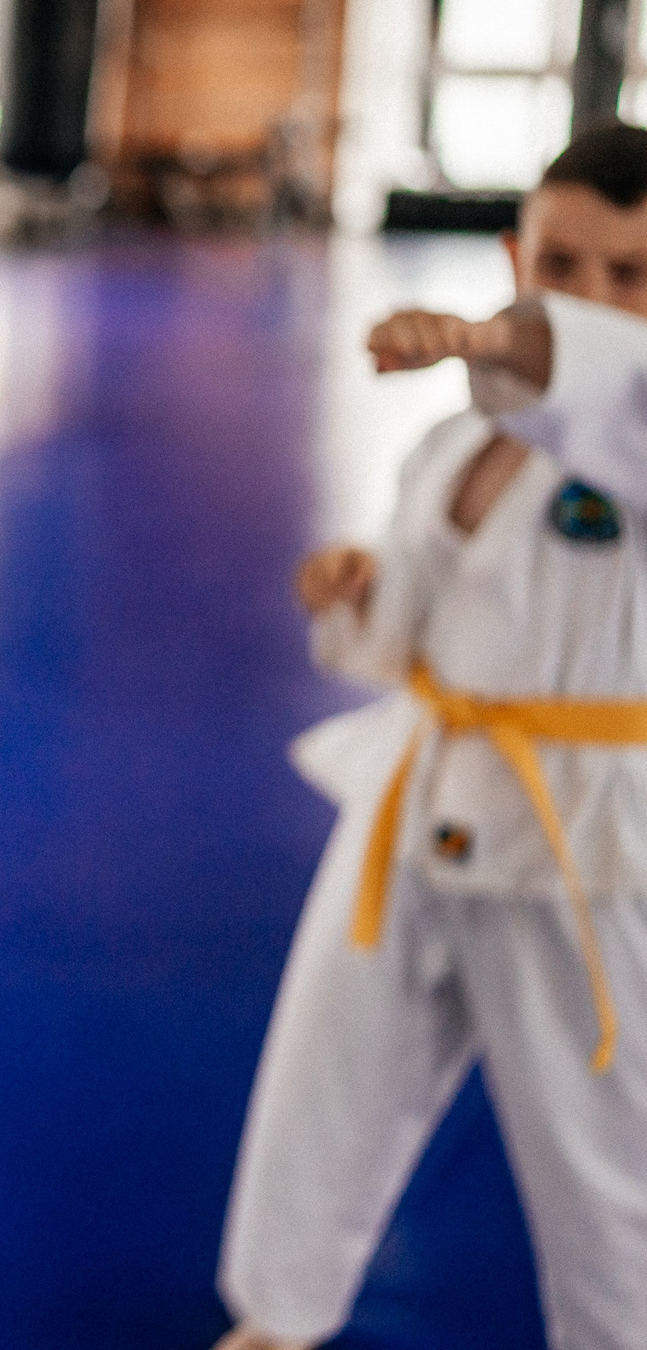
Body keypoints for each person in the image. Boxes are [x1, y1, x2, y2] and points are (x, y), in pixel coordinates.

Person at [215, 122, 647, 1350]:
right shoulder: (455, 439)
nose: (593, 299)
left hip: (593, 846)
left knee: (610, 1165)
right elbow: (409, 628)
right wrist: (360, 597)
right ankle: (275, 1316)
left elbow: (604, 382)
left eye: (633, 275)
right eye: (562, 265)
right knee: (325, 1082)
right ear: (516, 255)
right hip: (423, 790)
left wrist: (480, 338)